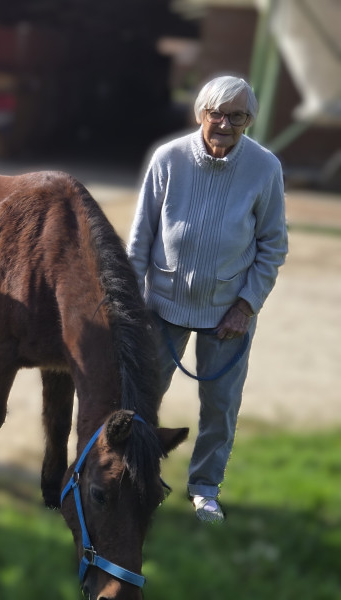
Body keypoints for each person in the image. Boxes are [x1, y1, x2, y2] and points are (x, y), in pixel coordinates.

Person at [126, 75, 288, 523]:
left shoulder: (264, 168)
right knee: (140, 397)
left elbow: (273, 245)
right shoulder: (168, 158)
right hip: (162, 306)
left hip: (228, 314)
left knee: (220, 406)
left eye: (237, 116)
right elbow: (140, 239)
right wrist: (131, 304)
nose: (225, 124)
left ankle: (204, 488)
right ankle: (136, 473)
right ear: (201, 113)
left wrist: (245, 306)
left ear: (249, 121)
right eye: (216, 113)